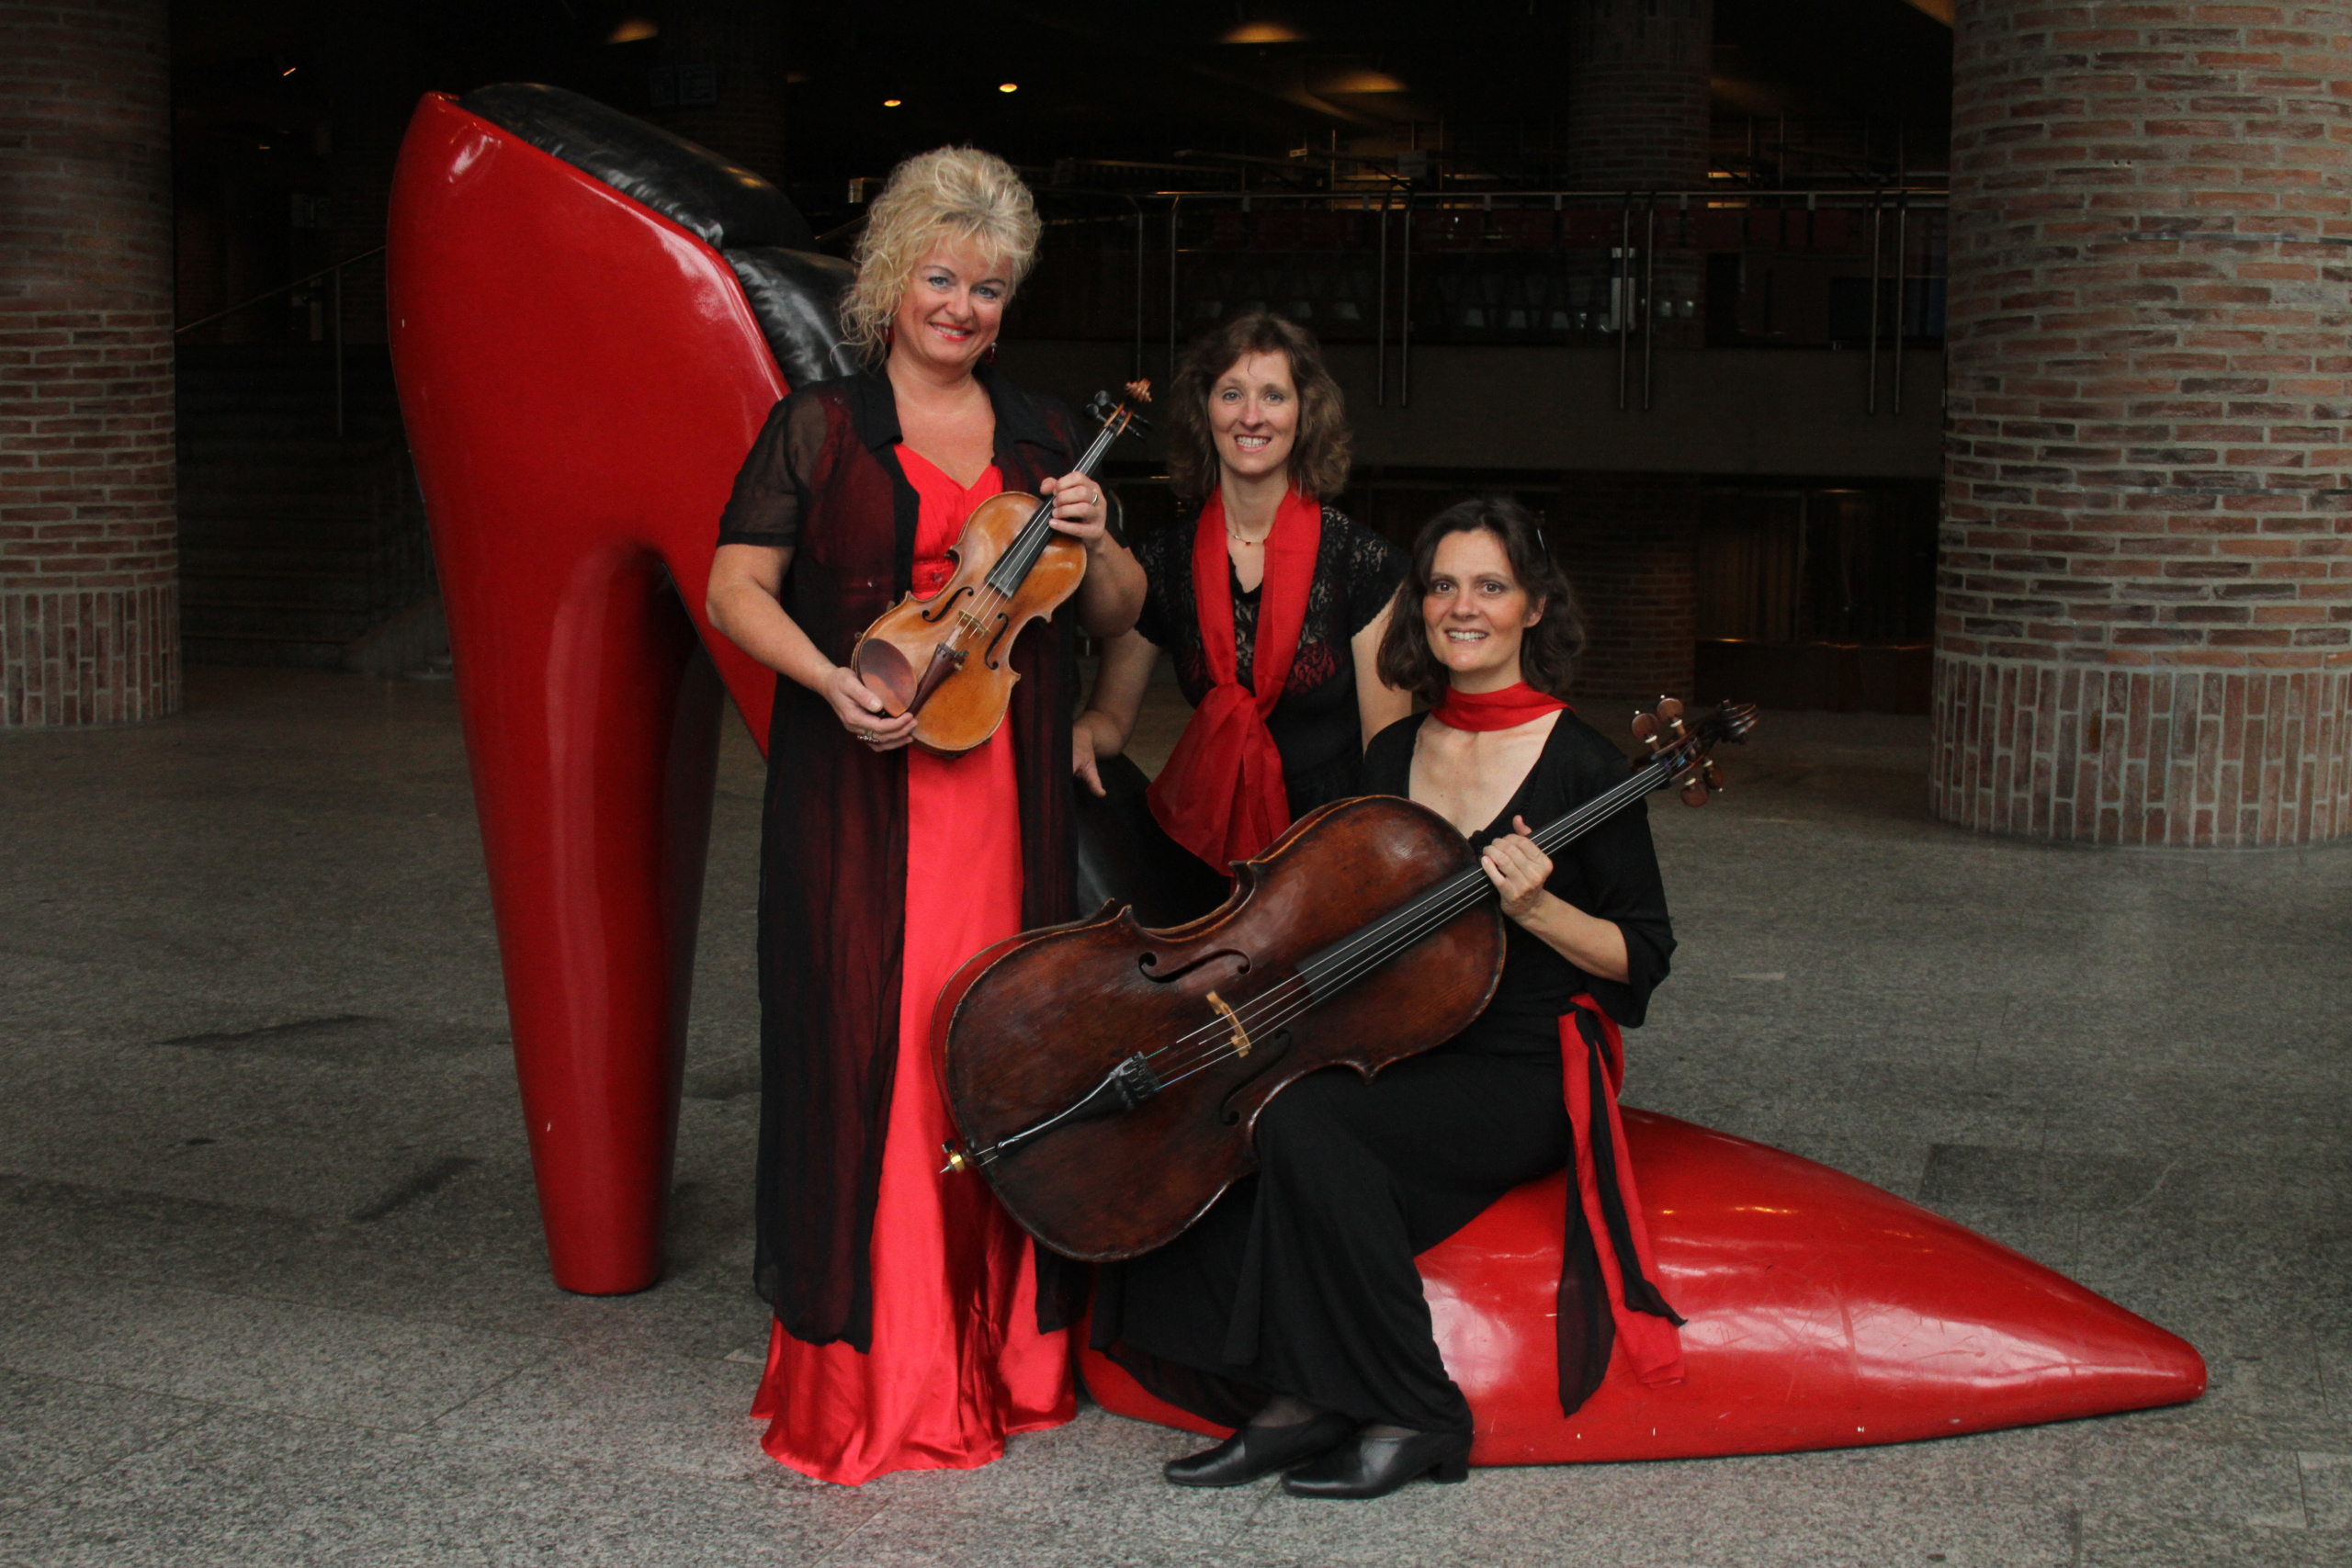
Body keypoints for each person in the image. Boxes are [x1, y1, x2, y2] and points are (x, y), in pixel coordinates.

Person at [1091, 497, 1686, 1499]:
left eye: (1490, 586)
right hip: (1402, 1039)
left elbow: (1643, 956)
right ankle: (1295, 1402)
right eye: (1443, 585)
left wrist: (1539, 910)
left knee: (1309, 1125)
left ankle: (1417, 1409)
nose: (1463, 607)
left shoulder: (1583, 765)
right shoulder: (1391, 755)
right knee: (1234, 1129)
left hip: (1521, 1066)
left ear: (1535, 607)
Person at [704, 146, 1145, 1485]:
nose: (962, 307)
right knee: (878, 1058)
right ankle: (890, 1372)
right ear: (894, 277)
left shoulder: (1047, 433)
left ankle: (1006, 1357)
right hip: (861, 794)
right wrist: (830, 679)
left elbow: (1120, 612)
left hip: (1003, 798)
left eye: (989, 289)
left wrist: (1099, 530)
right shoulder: (820, 426)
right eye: (942, 278)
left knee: (999, 1045)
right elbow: (734, 589)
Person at [1073, 312, 1411, 883]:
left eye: (1273, 396)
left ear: (1304, 414)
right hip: (1211, 845)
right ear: (1206, 410)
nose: (1251, 416)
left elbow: (1388, 756)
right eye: (1232, 394)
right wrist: (1080, 734)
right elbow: (1111, 717)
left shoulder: (1363, 561)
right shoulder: (1159, 561)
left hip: (1332, 855)